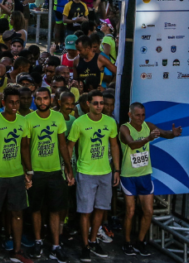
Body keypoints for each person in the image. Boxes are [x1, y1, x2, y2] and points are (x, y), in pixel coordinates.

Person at [119, 102, 181, 256]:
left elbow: (164, 134)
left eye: (143, 115)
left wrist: (173, 133)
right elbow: (132, 144)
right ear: (130, 115)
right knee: (130, 211)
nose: (140, 118)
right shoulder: (124, 128)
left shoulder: (148, 125)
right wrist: (148, 138)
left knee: (148, 211)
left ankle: (140, 242)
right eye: (137, 115)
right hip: (129, 176)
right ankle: (126, 242)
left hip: (145, 174)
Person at [0, 85, 33, 263]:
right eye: (11, 102)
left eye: (17, 102)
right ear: (3, 102)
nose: (14, 106)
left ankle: (17, 250)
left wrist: (29, 171)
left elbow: (25, 147)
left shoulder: (23, 121)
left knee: (17, 213)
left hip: (17, 175)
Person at [67, 91, 120, 261]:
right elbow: (70, 146)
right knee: (85, 211)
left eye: (101, 103)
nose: (99, 106)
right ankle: (85, 246)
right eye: (95, 103)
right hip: (85, 172)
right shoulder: (79, 122)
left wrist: (117, 170)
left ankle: (93, 240)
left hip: (105, 172)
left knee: (101, 209)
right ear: (88, 104)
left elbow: (114, 146)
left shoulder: (110, 122)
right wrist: (70, 170)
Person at [24, 88, 74, 261]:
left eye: (45, 98)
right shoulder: (28, 119)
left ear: (50, 99)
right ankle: (38, 242)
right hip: (36, 172)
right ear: (34, 100)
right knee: (36, 209)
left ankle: (55, 245)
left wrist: (68, 168)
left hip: (54, 172)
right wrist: (28, 171)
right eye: (39, 99)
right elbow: (25, 148)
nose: (42, 102)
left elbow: (62, 145)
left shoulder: (58, 117)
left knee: (55, 210)